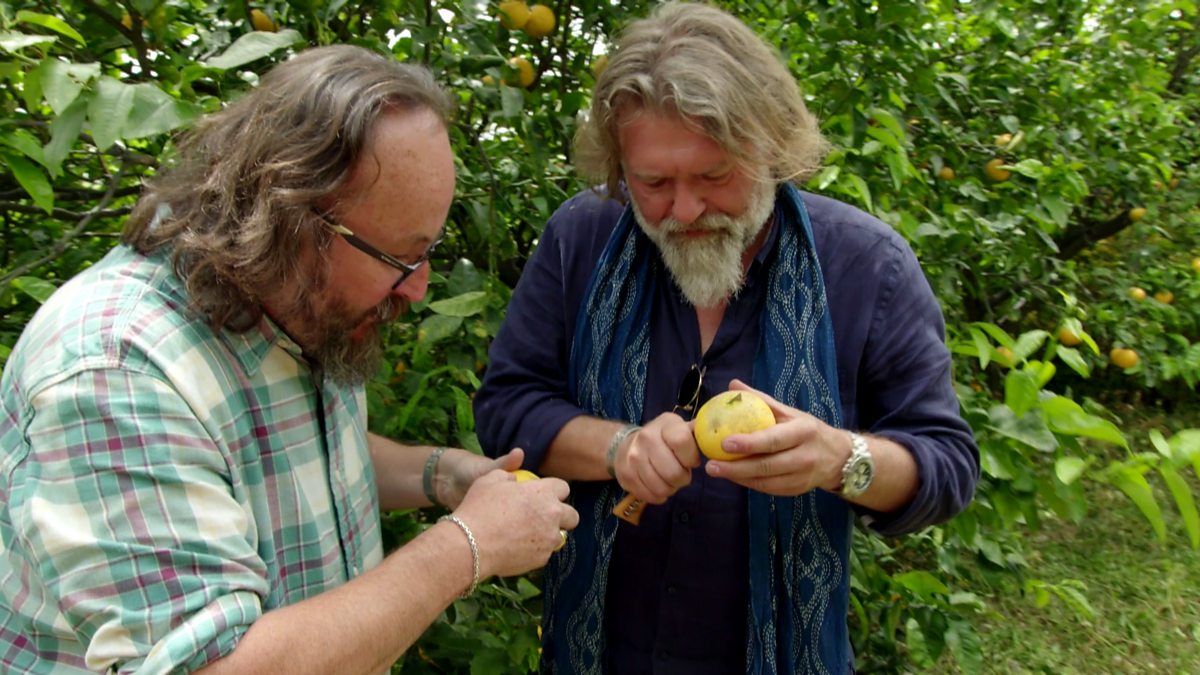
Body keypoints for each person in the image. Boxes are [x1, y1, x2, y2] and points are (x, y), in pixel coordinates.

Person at [0, 45, 578, 674]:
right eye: (402, 258)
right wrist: (469, 544)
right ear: (293, 221)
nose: (418, 288)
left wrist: (442, 475)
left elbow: (289, 455)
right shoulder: (118, 372)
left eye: (429, 250)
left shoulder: (297, 307)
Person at [473, 3, 980, 673]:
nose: (684, 210)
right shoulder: (581, 240)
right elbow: (506, 406)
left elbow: (947, 466)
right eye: (653, 183)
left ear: (772, 149)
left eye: (715, 176)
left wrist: (839, 457)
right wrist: (620, 448)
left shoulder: (867, 267)